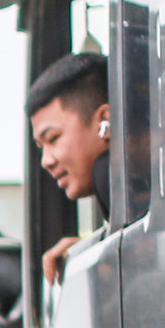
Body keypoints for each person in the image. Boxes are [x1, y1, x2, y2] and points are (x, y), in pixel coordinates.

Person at [28, 50, 110, 284]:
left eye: (53, 138)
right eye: (41, 146)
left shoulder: (108, 177)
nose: (46, 161)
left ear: (106, 121)